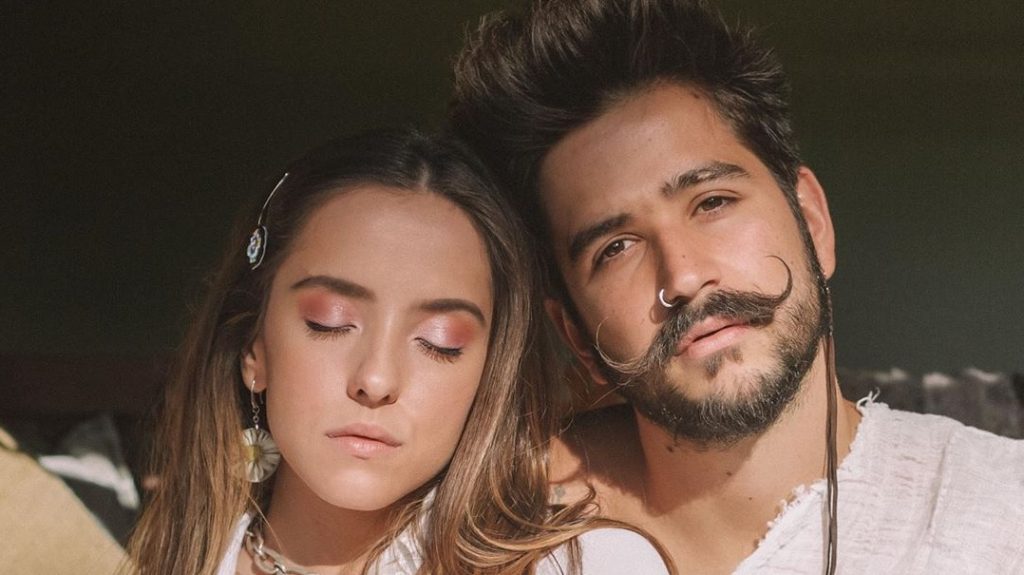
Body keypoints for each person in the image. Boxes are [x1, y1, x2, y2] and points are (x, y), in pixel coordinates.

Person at [447, 1, 1024, 573]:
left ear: (812, 222)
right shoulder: (477, 539)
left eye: (712, 203)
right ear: (576, 335)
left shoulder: (1000, 512)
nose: (683, 276)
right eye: (616, 248)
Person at [123, 128, 670, 575]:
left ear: (489, 376)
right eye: (330, 323)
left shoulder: (584, 565)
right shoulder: (175, 560)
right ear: (254, 349)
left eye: (440, 343)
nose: (377, 379)